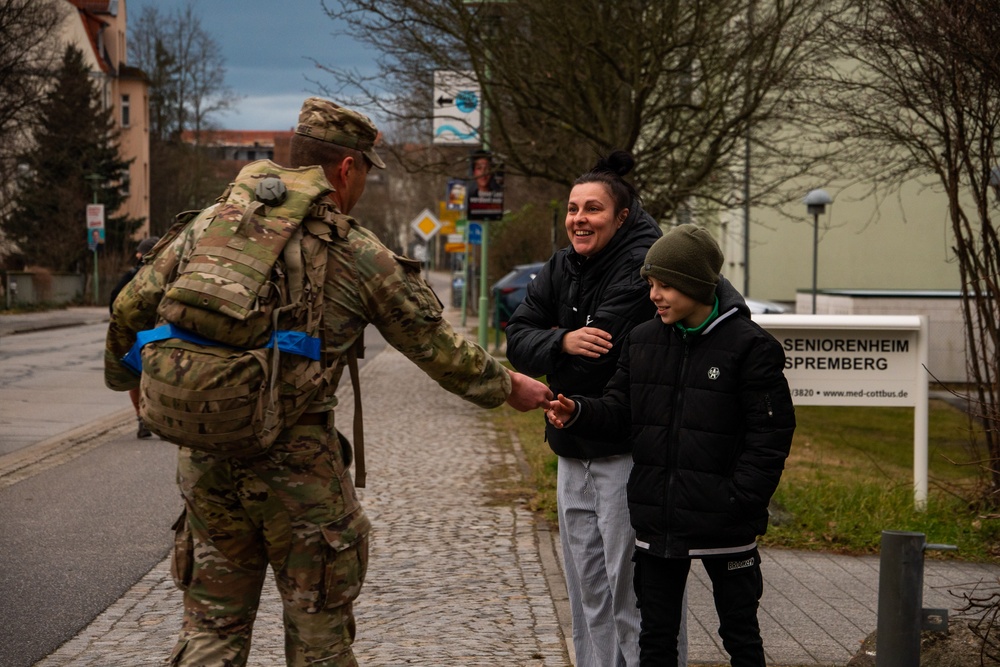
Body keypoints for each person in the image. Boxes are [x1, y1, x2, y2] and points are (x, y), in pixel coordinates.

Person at [104, 97, 552, 667]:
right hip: (301, 476)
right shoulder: (355, 250)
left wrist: (132, 387)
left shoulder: (209, 227)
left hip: (209, 463)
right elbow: (437, 349)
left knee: (211, 632)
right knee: (320, 644)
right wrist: (511, 386)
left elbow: (128, 310)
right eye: (364, 172)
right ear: (347, 169)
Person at [546, 224, 796, 667]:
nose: (655, 295)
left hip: (728, 525)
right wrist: (580, 411)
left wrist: (742, 498)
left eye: (666, 285)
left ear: (698, 286)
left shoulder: (750, 347)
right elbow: (621, 407)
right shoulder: (642, 340)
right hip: (658, 523)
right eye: (651, 284)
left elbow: (771, 435)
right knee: (655, 640)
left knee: (740, 636)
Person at [505, 150, 687, 667]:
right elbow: (517, 339)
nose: (579, 220)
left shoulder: (643, 266)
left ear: (621, 216)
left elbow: (599, 351)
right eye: (572, 209)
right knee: (587, 588)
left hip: (626, 451)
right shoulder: (561, 264)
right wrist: (561, 341)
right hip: (571, 446)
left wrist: (554, 348)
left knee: (633, 592)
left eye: (593, 210)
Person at [108, 235, 159, 438]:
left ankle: (141, 418)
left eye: (139, 251)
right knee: (155, 376)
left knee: (134, 377)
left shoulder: (131, 275)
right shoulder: (165, 273)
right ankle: (153, 417)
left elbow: (114, 299)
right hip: (157, 333)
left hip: (132, 333)